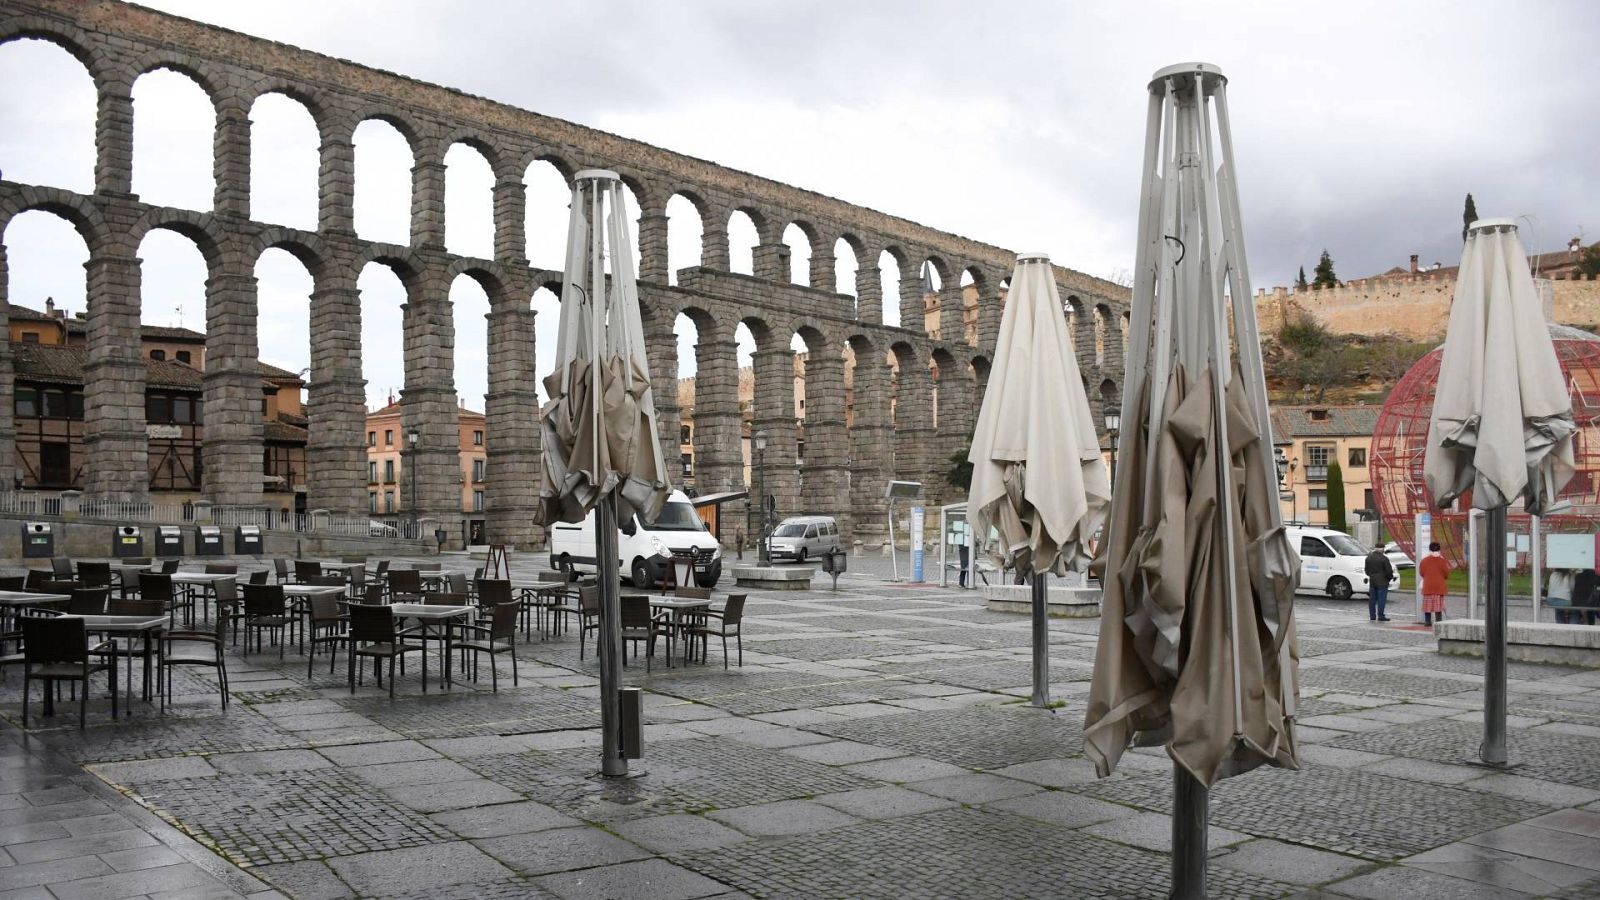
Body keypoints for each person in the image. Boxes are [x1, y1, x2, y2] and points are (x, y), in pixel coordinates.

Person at [1418, 541, 1450, 626]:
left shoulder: (1424, 560)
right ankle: (1438, 622)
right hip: (1439, 586)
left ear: (1430, 549)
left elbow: (1421, 572)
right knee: (1438, 606)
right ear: (1439, 550)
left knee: (1427, 605)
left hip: (1428, 585)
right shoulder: (1442, 561)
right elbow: (1446, 573)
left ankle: (1427, 621)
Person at [1365, 546, 1394, 622]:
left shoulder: (1369, 558)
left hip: (1372, 581)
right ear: (1382, 549)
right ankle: (1381, 615)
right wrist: (1389, 578)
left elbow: (1366, 570)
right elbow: (1389, 571)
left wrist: (1371, 575)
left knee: (1372, 600)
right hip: (1383, 581)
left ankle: (1372, 616)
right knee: (1381, 599)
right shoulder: (1384, 558)